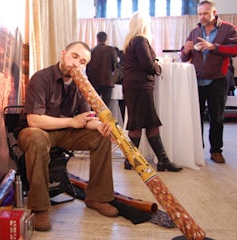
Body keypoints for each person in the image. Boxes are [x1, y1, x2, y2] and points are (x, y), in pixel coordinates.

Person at [15, 42, 118, 231]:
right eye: (74, 56)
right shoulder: (41, 78)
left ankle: (97, 198)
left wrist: (100, 126)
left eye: (83, 61)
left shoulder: (81, 85)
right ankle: (39, 208)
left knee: (101, 138)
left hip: (64, 133)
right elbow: (34, 121)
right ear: (63, 54)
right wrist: (72, 122)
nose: (77, 63)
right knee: (36, 138)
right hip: (36, 132)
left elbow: (85, 119)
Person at [122, 11, 182, 172]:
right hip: (141, 86)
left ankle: (133, 160)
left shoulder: (130, 41)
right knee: (147, 122)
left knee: (143, 121)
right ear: (144, 24)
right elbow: (147, 65)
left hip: (133, 86)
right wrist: (158, 68)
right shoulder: (141, 40)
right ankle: (161, 161)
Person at [180, 0, 237, 164]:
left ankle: (216, 150)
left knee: (216, 118)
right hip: (196, 81)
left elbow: (235, 49)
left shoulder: (228, 29)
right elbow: (184, 57)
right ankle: (198, 150)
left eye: (205, 13)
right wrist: (186, 50)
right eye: (199, 13)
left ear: (214, 12)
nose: (202, 17)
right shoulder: (194, 31)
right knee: (196, 118)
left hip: (217, 80)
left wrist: (214, 47)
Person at [86, 31, 119, 106]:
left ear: (97, 38)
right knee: (106, 106)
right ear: (106, 39)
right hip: (107, 81)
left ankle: (94, 118)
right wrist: (114, 79)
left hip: (94, 81)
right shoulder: (111, 50)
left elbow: (87, 67)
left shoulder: (92, 51)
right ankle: (104, 118)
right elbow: (116, 66)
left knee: (94, 106)